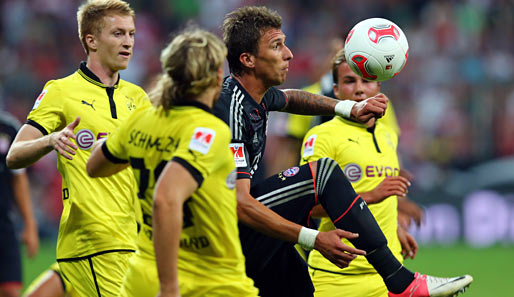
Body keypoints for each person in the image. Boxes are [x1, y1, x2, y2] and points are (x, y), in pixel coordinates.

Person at [213, 6, 473, 297]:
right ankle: (401, 282)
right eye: (277, 46)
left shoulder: (255, 95)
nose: (289, 54)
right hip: (225, 230)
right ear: (247, 59)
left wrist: (349, 108)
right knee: (322, 172)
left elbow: (292, 99)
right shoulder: (232, 110)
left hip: (244, 234)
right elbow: (240, 203)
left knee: (300, 290)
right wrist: (314, 238)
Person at [86, 28, 259, 297]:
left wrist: (135, 144)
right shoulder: (210, 131)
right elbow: (165, 198)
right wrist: (169, 287)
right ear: (215, 77)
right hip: (207, 281)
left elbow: (94, 166)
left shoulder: (141, 120)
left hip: (142, 276)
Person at [6, 0, 149, 296]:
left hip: (136, 239)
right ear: (91, 40)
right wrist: (50, 140)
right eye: (118, 34)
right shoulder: (61, 91)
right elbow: (14, 155)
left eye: (132, 34)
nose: (128, 42)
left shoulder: (138, 97)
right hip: (94, 241)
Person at [300, 48, 415, 297]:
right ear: (337, 91)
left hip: (388, 275)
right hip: (338, 278)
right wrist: (372, 195)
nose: (359, 89)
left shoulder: (387, 134)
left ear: (379, 87)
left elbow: (382, 199)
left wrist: (393, 227)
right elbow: (308, 208)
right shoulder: (322, 136)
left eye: (367, 80)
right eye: (350, 81)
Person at [0, 111, 39, 297]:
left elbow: (19, 179)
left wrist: (30, 225)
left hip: (4, 223)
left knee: (10, 290)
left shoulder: (8, 128)